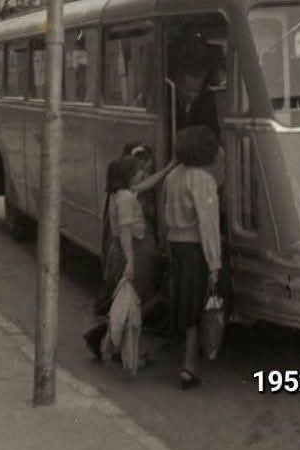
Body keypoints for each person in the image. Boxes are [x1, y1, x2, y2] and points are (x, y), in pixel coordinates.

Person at [84, 151, 171, 361]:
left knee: (128, 302)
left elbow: (148, 184)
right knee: (134, 302)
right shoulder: (125, 198)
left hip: (129, 251)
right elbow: (125, 231)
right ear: (128, 175)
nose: (142, 173)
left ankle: (108, 343)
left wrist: (169, 168)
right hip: (135, 252)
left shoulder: (122, 193)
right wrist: (130, 262)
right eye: (137, 170)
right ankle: (112, 345)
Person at [163, 125, 222, 390]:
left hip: (175, 245)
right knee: (196, 306)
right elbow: (208, 225)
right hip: (195, 248)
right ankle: (188, 367)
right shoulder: (203, 180)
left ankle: (186, 361)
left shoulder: (172, 177)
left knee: (184, 301)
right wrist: (214, 263)